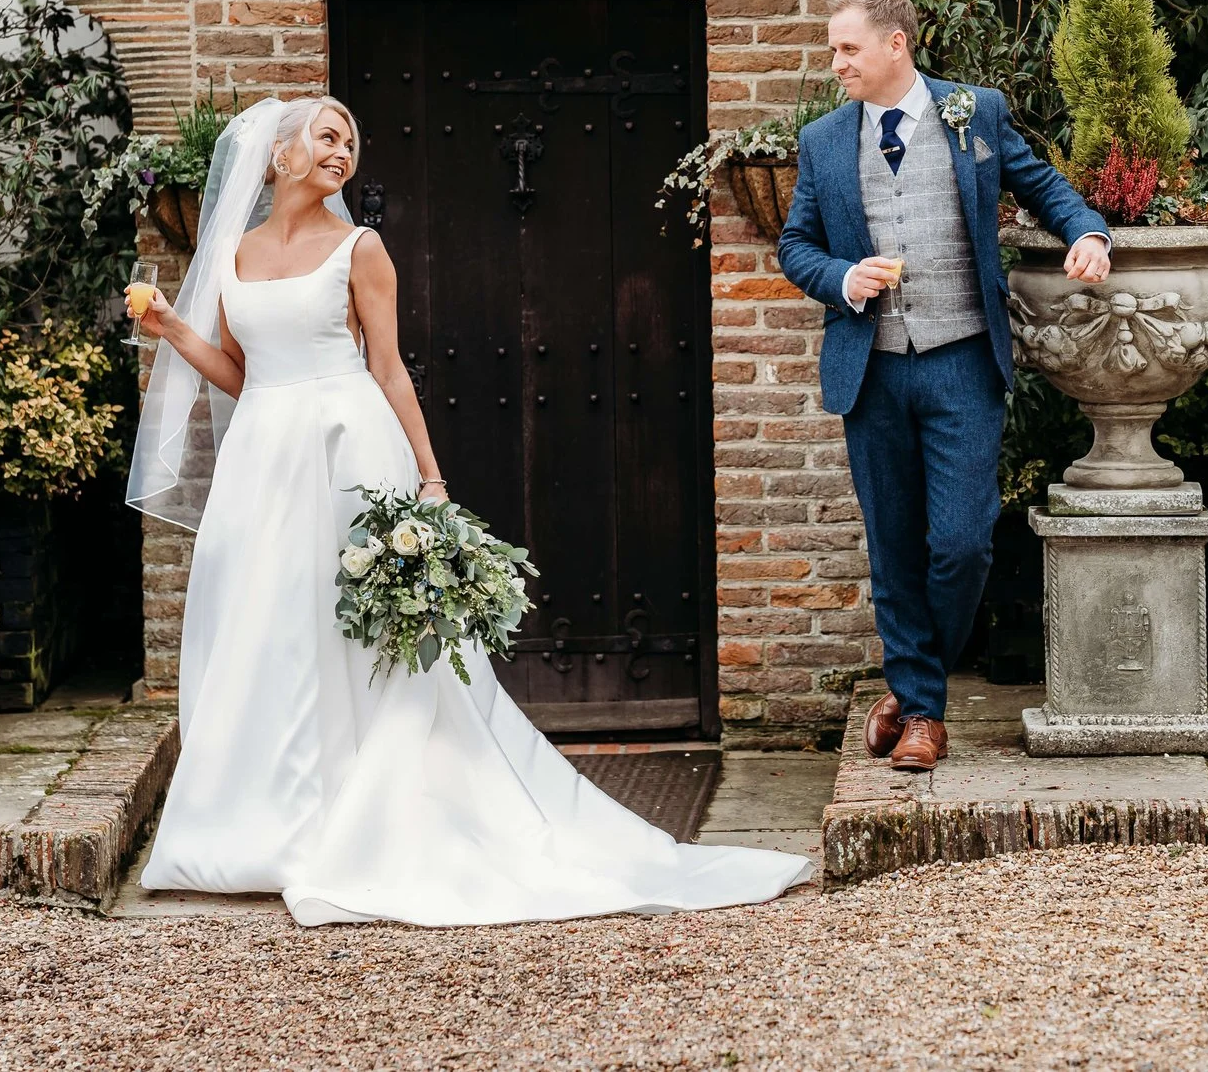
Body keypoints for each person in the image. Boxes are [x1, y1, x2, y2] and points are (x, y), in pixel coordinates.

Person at [127, 95, 811, 924]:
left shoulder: (360, 248)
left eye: (351, 138)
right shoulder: (232, 251)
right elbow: (241, 374)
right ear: (280, 156)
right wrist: (170, 327)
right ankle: (269, 823)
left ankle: (368, 817)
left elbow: (388, 369)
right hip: (262, 460)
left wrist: (431, 477)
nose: (344, 150)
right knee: (267, 626)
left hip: (349, 451)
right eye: (328, 136)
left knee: (357, 633)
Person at [777, 0, 1111, 773]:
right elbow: (796, 246)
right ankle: (924, 708)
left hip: (963, 359)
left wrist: (1089, 232)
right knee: (892, 546)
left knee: (961, 545)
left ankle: (911, 679)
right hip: (874, 369)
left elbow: (1042, 184)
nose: (836, 65)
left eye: (847, 49)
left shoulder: (974, 113)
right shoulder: (824, 139)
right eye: (834, 51)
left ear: (897, 45)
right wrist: (843, 277)